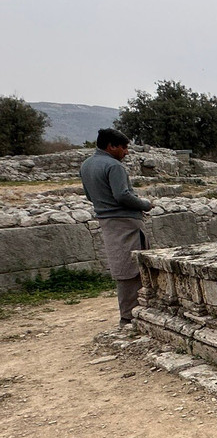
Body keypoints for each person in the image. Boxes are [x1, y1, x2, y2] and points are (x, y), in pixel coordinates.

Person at [80, 128, 153, 325]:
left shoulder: (86, 165)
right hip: (125, 222)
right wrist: (145, 204)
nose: (126, 152)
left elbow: (89, 196)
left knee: (122, 265)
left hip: (107, 221)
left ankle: (129, 313)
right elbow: (122, 195)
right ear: (111, 146)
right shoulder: (114, 166)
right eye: (124, 147)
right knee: (133, 268)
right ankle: (132, 315)